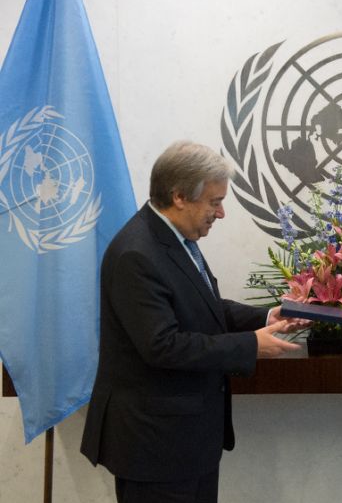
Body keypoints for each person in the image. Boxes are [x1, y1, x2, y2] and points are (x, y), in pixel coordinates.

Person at [80, 141, 302, 503]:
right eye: (215, 202)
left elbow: (202, 307)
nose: (222, 213)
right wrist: (251, 345)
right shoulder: (137, 254)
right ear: (180, 196)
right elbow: (162, 345)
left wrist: (266, 316)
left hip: (187, 441)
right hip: (155, 448)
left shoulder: (172, 237)